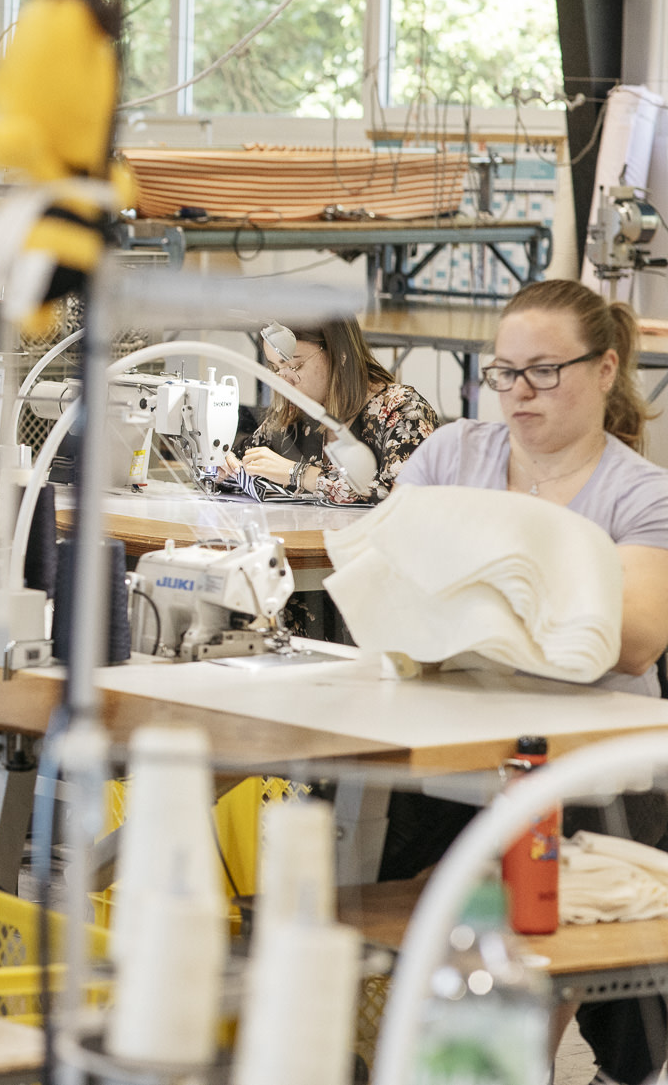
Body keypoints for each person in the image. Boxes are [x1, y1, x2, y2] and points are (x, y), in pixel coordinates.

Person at [383, 278, 668, 1085]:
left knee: (524, 898)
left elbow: (636, 639)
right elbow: (391, 583)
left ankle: (518, 1061)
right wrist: (552, 605)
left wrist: (471, 603)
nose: (518, 392)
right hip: (457, 733)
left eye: (544, 370)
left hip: (593, 754)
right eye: (503, 371)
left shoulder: (640, 494)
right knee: (358, 841)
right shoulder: (450, 455)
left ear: (606, 367)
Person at [219, 316, 438, 505]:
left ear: (340, 354)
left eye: (294, 366)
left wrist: (298, 474)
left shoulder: (402, 410)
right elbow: (237, 461)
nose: (284, 382)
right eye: (276, 369)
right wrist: (220, 466)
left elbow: (403, 497)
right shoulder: (294, 414)